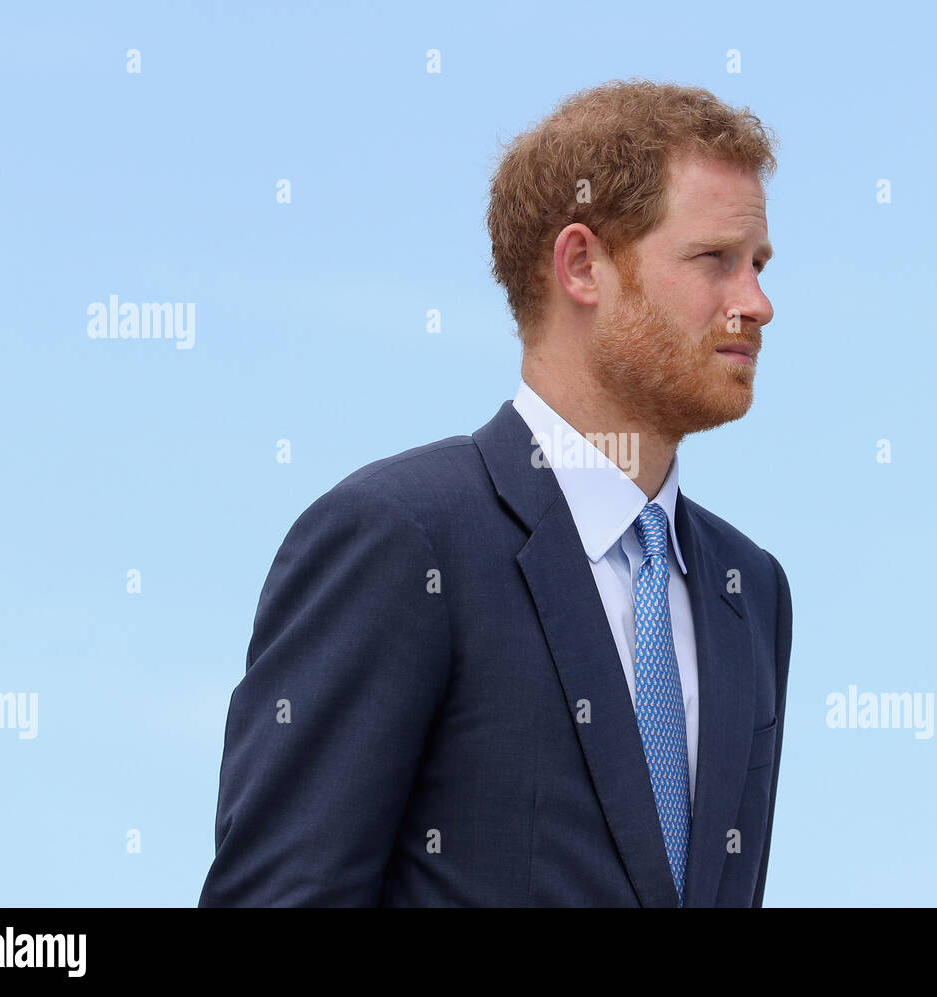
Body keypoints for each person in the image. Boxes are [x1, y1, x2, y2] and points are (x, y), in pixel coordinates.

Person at [199, 78, 792, 907]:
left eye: (758, 264)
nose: (756, 303)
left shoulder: (749, 588)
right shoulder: (403, 536)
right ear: (582, 266)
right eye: (714, 259)